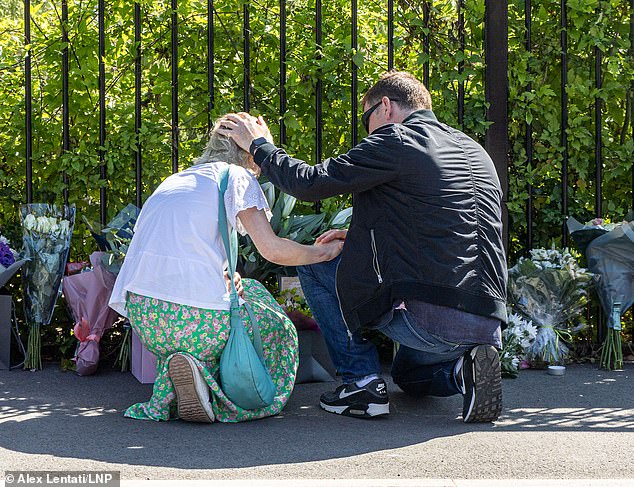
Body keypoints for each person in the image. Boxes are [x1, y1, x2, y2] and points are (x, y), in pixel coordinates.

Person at [217, 70, 508, 423]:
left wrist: (259, 145)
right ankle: (464, 370)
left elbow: (309, 183)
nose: (367, 130)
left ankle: (362, 383)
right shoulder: (471, 147)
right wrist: (355, 240)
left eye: (366, 118)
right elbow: (437, 229)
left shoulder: (397, 139)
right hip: (486, 322)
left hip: (429, 319)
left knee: (314, 264)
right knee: (408, 378)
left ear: (385, 106)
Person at [108, 119, 343, 423]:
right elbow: (271, 250)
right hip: (199, 321)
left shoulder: (174, 180)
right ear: (249, 152)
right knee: (269, 314)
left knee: (237, 291)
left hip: (148, 321)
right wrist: (324, 252)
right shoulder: (237, 177)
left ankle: (190, 376)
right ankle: (233, 397)